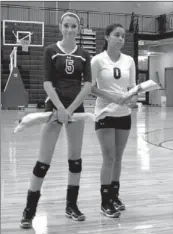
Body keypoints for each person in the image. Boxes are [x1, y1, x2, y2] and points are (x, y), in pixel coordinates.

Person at [20, 12, 92, 228]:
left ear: (78, 29)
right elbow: (47, 83)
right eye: (67, 26)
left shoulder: (84, 54)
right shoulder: (51, 51)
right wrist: (60, 108)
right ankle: (29, 211)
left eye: (74, 26)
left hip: (75, 109)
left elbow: (87, 85)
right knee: (43, 162)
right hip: (54, 108)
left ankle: (71, 206)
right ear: (61, 27)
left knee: (75, 160)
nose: (70, 30)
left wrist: (70, 109)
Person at [90, 23, 138, 218]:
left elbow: (133, 87)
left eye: (123, 36)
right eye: (117, 35)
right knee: (108, 158)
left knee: (118, 158)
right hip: (105, 113)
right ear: (107, 37)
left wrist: (133, 98)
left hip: (124, 115)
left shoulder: (129, 61)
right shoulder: (97, 61)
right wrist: (113, 98)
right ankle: (105, 201)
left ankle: (114, 195)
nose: (120, 39)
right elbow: (91, 88)